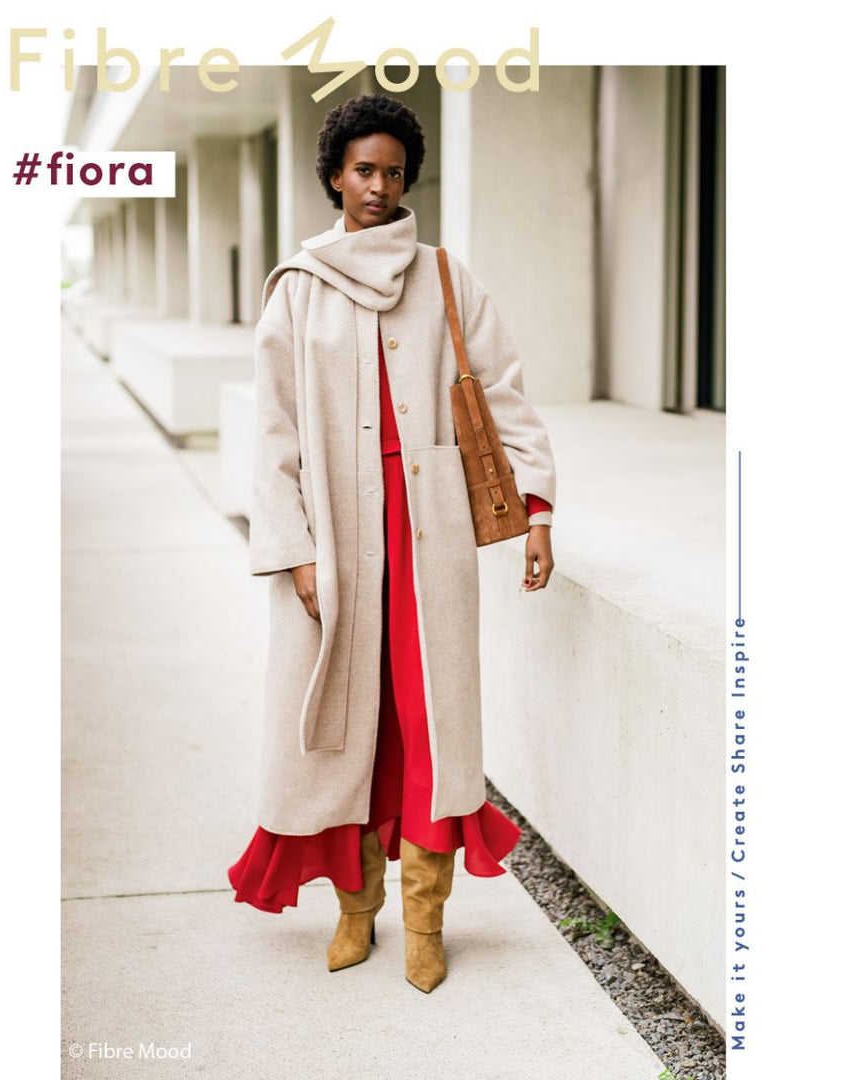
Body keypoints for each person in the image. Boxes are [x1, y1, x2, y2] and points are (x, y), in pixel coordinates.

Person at [227, 93, 557, 994]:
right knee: (343, 729)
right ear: (334, 174)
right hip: (332, 543)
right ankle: (354, 910)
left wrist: (536, 509)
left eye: (394, 173)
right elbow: (274, 437)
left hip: (427, 540)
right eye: (363, 170)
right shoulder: (297, 288)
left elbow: (507, 397)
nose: (379, 187)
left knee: (426, 725)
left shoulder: (447, 275)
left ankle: (424, 921)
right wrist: (294, 549)